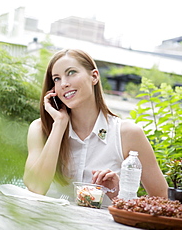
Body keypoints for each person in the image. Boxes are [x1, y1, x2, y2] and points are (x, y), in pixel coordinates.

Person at [23, 49, 168, 203]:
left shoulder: (128, 134)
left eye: (71, 72)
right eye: (56, 78)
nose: (64, 84)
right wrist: (59, 124)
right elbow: (36, 188)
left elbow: (164, 201)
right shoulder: (40, 129)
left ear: (94, 76)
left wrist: (120, 196)